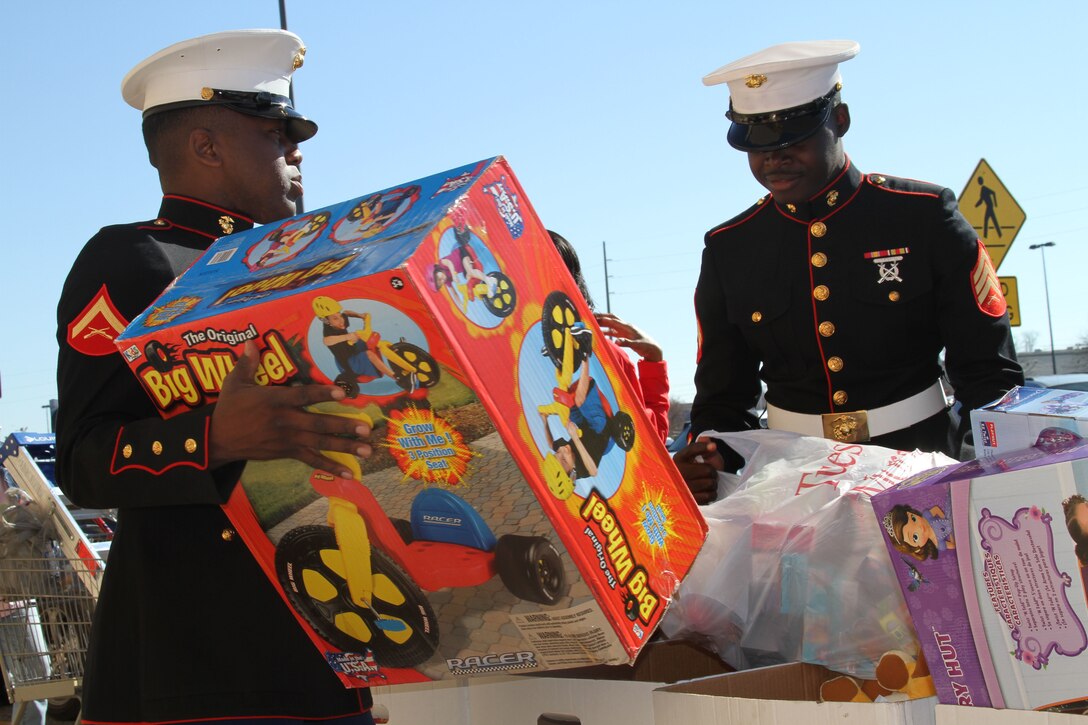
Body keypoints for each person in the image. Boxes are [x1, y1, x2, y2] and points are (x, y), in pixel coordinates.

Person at [55, 31, 376, 723]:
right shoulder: (133, 260)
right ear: (206, 147)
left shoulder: (314, 268)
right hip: (192, 671)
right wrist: (212, 437)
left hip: (328, 651)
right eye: (274, 132)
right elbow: (82, 459)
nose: (296, 151)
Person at [676, 40, 1023, 503]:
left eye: (793, 139)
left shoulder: (922, 217)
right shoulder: (730, 248)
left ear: (839, 121)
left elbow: (989, 375)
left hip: (923, 471)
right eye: (757, 146)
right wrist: (711, 455)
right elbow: (723, 396)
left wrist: (989, 474)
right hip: (792, 486)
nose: (774, 159)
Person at [547, 230, 671, 442]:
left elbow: (646, 440)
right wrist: (654, 362)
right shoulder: (608, 356)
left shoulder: (494, 356)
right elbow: (649, 443)